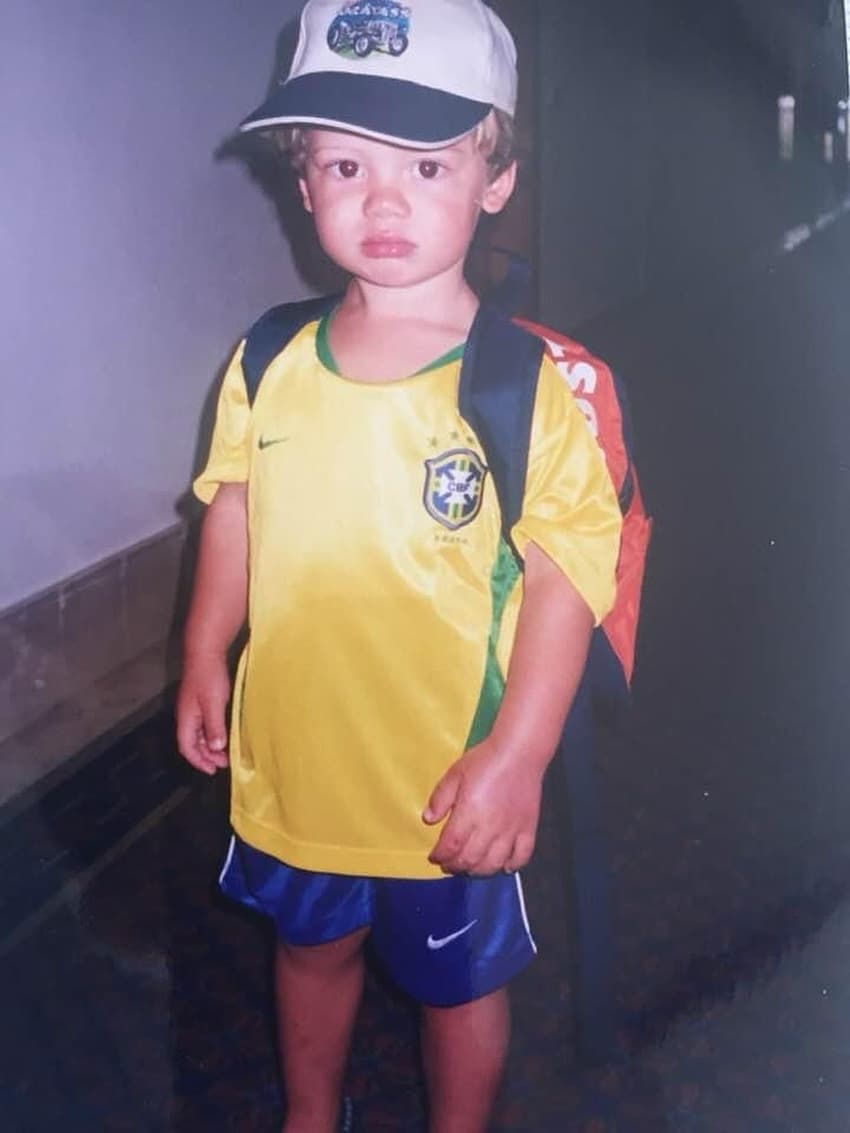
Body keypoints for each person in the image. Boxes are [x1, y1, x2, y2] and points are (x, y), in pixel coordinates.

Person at [176, 1, 622, 1130]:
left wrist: (517, 755)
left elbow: (570, 574)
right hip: (299, 763)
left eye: (427, 161)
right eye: (343, 160)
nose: (381, 197)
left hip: (445, 786)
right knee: (308, 953)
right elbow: (234, 506)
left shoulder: (523, 387)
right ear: (303, 178)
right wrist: (201, 648)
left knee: (457, 987)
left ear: (495, 177)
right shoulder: (267, 358)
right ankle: (307, 1115)